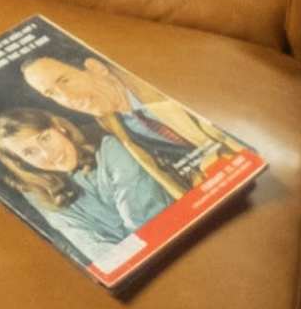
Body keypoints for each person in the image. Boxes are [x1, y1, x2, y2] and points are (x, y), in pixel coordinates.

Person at [0, 103, 172, 269]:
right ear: (21, 162)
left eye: (45, 138)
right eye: (30, 152)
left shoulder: (109, 147)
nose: (47, 154)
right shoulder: (40, 196)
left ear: (58, 128)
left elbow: (146, 219)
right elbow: (103, 255)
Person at [19, 50, 234, 200]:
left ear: (97, 68)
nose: (66, 98)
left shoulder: (160, 76)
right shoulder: (108, 122)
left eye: (64, 81)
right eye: (51, 93)